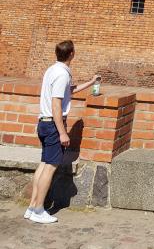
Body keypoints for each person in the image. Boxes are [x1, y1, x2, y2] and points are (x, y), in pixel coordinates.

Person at [26, 40, 99, 224]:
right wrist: (62, 132)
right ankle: (38, 209)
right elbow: (56, 104)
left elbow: (69, 91)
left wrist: (90, 82)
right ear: (72, 54)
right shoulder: (62, 74)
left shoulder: (53, 70)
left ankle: (32, 206)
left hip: (44, 122)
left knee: (44, 165)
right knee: (50, 167)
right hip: (53, 124)